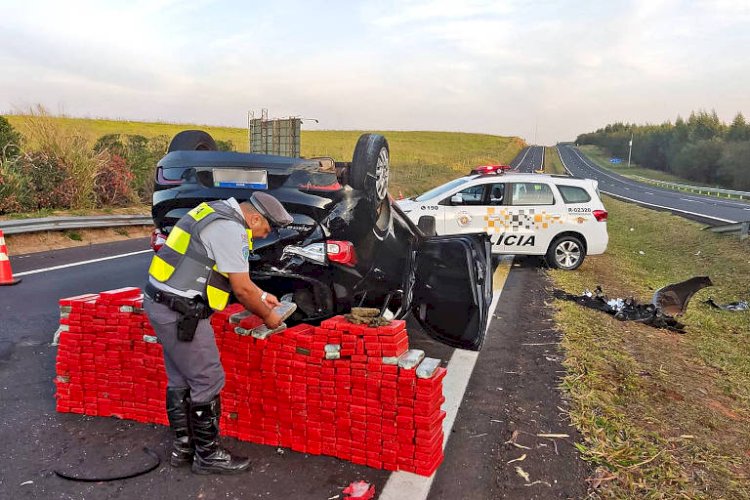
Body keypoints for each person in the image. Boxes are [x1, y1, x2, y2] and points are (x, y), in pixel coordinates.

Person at [143, 192, 293, 475]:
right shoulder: (231, 229)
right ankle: (208, 456)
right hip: (181, 311)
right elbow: (242, 288)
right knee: (208, 378)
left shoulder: (213, 210)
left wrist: (264, 296)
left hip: (162, 302)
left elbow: (214, 268)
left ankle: (184, 448)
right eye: (267, 228)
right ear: (255, 217)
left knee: (180, 377)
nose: (264, 235)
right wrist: (268, 316)